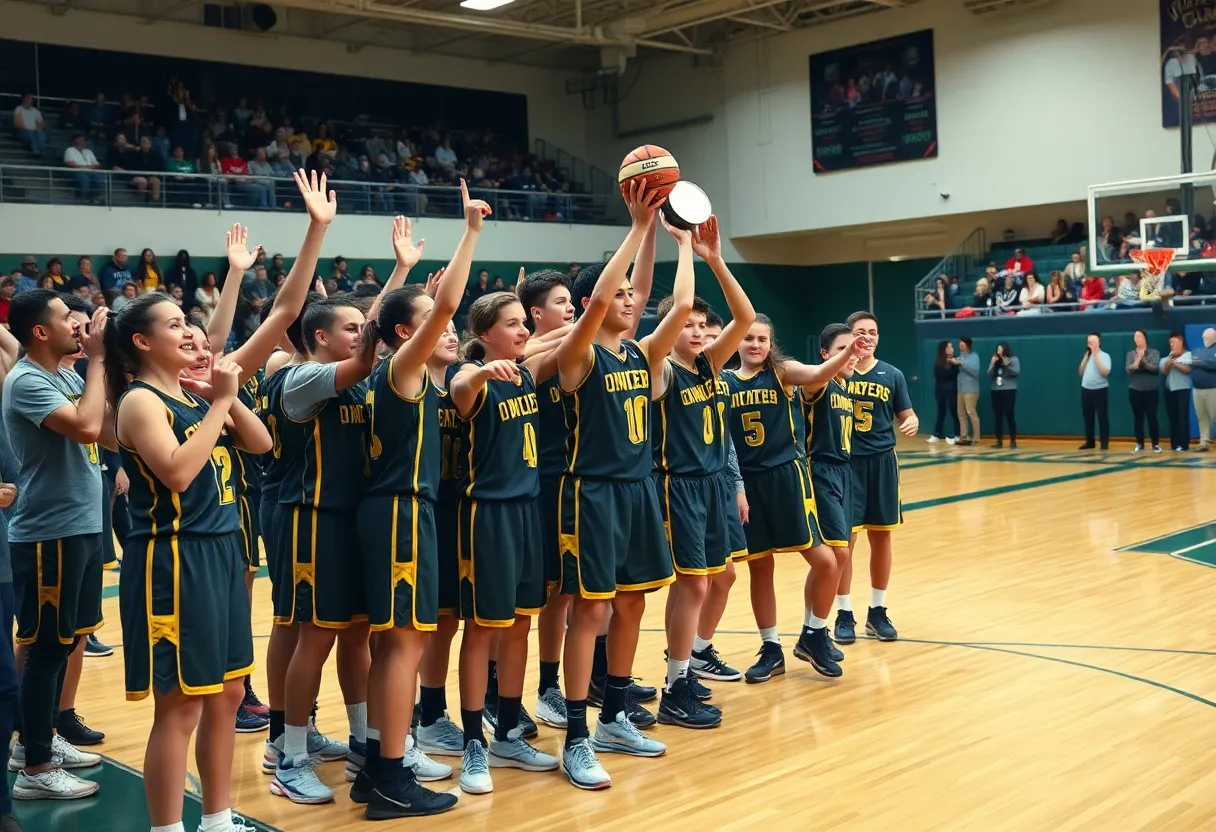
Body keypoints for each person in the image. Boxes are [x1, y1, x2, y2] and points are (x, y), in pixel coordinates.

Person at [107, 292, 270, 832]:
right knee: (181, 705)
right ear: (142, 341)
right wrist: (220, 403)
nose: (189, 334)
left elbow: (261, 443)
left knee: (227, 693)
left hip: (221, 552)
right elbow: (177, 473)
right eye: (175, 325)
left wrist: (223, 399)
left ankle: (217, 819)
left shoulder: (194, 398)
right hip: (175, 560)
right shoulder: (140, 401)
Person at [353, 196, 484, 818]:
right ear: (406, 335)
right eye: (431, 319)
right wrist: (470, 233)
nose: (447, 325)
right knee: (405, 643)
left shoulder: (408, 374)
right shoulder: (402, 373)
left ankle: (378, 765)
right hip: (401, 513)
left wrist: (403, 275)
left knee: (393, 646)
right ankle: (389, 775)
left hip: (401, 512)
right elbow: (450, 305)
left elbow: (384, 322)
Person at [552, 181, 672, 790]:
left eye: (631, 295)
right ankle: (576, 735)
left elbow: (660, 296)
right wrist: (635, 227)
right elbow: (603, 296)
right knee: (592, 609)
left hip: (639, 488)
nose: (629, 300)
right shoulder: (579, 354)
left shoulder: (637, 355)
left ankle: (614, 717)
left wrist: (669, 238)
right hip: (591, 492)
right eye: (619, 294)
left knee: (632, 602)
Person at [447, 290, 563, 795]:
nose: (523, 331)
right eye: (512, 324)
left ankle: (509, 734)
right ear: (485, 334)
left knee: (520, 626)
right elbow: (459, 386)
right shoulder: (471, 379)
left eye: (524, 323)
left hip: (527, 512)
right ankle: (473, 741)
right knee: (481, 630)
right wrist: (481, 372)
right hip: (486, 516)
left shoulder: (528, 373)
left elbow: (568, 337)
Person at [268, 296, 379, 806]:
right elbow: (365, 359)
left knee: (358, 636)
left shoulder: (350, 379)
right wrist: (404, 318)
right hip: (312, 519)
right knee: (314, 639)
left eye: (363, 327)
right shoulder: (303, 377)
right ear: (320, 336)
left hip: (351, 520)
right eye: (351, 327)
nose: (361, 334)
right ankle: (290, 755)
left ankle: (362, 742)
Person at [2, 291, 110, 801]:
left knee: (65, 642)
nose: (78, 324)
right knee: (46, 648)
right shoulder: (27, 380)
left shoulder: (66, 376)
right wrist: (99, 359)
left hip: (81, 527)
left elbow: (106, 431)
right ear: (40, 331)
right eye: (68, 318)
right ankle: (35, 768)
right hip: (49, 534)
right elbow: (86, 427)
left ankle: (36, 738)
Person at [652, 214, 754, 727]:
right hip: (681, 486)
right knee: (692, 585)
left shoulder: (711, 364)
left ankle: (683, 671)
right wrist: (683, 249)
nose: (694, 331)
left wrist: (715, 258)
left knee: (711, 579)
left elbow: (745, 314)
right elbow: (680, 306)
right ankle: (675, 687)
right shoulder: (660, 368)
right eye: (686, 324)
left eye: (700, 325)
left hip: (715, 483)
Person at [726, 314, 861, 681]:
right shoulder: (725, 382)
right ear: (736, 341)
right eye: (748, 338)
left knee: (827, 561)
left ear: (771, 344)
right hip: (749, 485)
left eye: (762, 339)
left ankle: (814, 633)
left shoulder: (782, 372)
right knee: (760, 569)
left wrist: (847, 352)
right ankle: (771, 648)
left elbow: (818, 374)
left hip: (788, 478)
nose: (755, 344)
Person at [515, 269, 577, 730]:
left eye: (573, 301)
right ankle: (501, 696)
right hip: (535, 485)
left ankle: (550, 685)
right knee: (527, 599)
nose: (571, 307)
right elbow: (529, 354)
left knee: (564, 592)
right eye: (561, 301)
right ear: (536, 312)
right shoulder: (524, 359)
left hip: (572, 482)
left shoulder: (579, 346)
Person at [836, 311, 918, 644]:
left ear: (878, 337)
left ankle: (877, 611)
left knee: (882, 537)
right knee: (845, 542)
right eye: (860, 331)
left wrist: (912, 420)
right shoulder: (837, 371)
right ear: (849, 336)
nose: (866, 337)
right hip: (846, 463)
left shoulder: (892, 374)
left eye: (872, 332)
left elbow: (906, 413)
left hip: (882, 462)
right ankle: (843, 612)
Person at [1126, 330, 1162, 452]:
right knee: (1138, 418)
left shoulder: (1154, 353)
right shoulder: (1131, 354)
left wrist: (1144, 361)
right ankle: (1140, 444)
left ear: (1145, 338)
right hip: (1135, 390)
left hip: (1151, 391)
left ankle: (1155, 444)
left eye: (1139, 336)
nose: (1137, 339)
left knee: (1152, 417)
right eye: (1135, 337)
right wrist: (1136, 362)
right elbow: (1129, 369)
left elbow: (1155, 368)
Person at [1161, 333, 1193, 452]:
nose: (1172, 345)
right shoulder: (1167, 358)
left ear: (1181, 341)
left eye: (1174, 342)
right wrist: (1169, 361)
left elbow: (1188, 370)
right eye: (1170, 343)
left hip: (1182, 389)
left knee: (1182, 416)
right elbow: (1163, 371)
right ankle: (1174, 444)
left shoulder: (1188, 355)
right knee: (1172, 417)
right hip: (1170, 389)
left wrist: (1175, 363)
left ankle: (1184, 444)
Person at [1079, 333, 1111, 450]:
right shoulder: (1087, 356)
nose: (1090, 344)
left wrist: (1096, 356)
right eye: (1089, 342)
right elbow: (1080, 372)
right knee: (1088, 417)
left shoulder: (1105, 356)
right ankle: (1089, 441)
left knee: (1102, 417)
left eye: (1093, 342)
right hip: (1086, 390)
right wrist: (1085, 358)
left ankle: (1104, 443)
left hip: (1100, 390)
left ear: (1098, 342)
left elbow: (1105, 372)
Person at [987, 343, 1020, 449]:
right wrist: (992, 364)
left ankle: (1013, 440)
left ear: (1005, 349)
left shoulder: (1013, 359)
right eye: (997, 349)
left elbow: (1016, 372)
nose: (998, 351)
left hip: (1008, 390)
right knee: (997, 416)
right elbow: (989, 374)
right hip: (996, 390)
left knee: (1009, 414)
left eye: (1000, 349)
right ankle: (999, 440)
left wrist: (1006, 365)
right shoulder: (995, 360)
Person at [1188, 328, 1216, 452]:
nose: (1204, 339)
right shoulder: (1197, 350)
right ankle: (1204, 442)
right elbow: (1189, 360)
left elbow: (1213, 363)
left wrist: (1198, 362)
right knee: (1202, 417)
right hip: (1197, 390)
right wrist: (1198, 362)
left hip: (1213, 389)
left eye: (1207, 337)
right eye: (1204, 337)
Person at [929, 340, 959, 444]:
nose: (952, 349)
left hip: (951, 389)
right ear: (945, 349)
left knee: (954, 412)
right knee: (941, 412)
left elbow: (955, 373)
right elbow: (939, 375)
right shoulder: (938, 361)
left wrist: (952, 364)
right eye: (950, 347)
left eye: (952, 347)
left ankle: (957, 434)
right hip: (940, 390)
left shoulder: (955, 360)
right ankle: (936, 434)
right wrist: (948, 372)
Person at [956, 337, 981, 446]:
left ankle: (976, 438)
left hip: (971, 389)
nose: (960, 345)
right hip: (960, 389)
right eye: (959, 343)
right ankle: (963, 437)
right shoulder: (959, 357)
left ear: (968, 345)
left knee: (971, 412)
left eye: (962, 343)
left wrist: (960, 363)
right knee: (961, 414)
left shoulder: (974, 357)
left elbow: (975, 371)